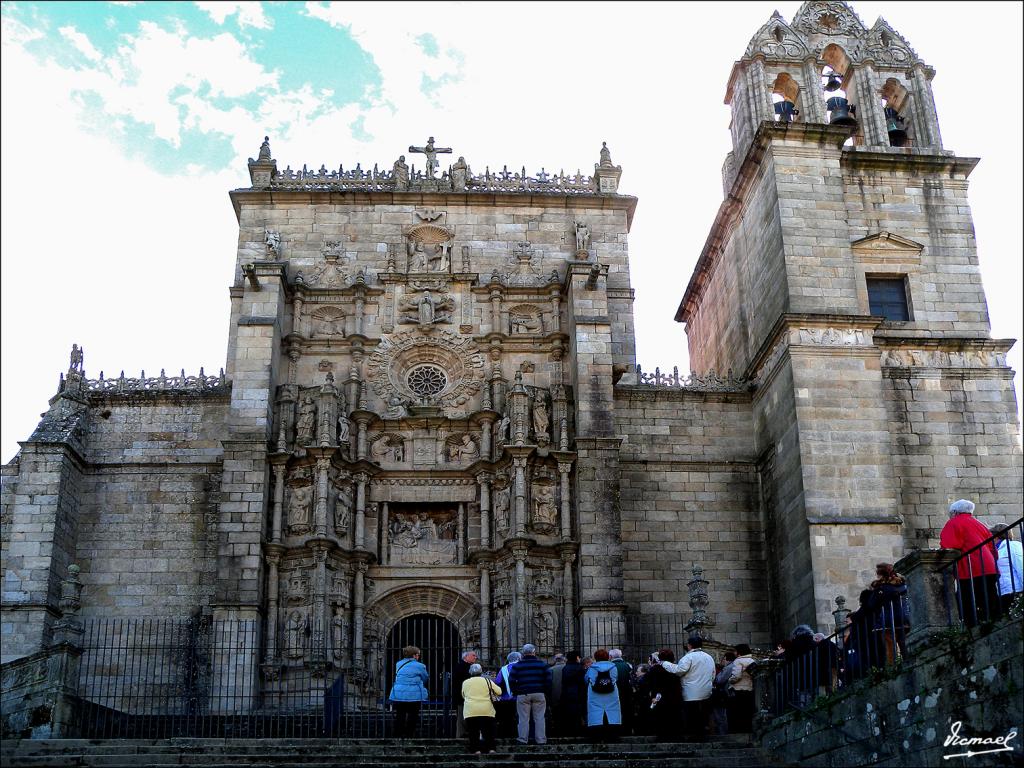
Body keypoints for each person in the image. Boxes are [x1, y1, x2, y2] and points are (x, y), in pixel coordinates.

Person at [940, 499, 1001, 626]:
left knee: (966, 602)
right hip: (989, 566)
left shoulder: (954, 523)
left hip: (970, 568)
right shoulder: (979, 524)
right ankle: (994, 624)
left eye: (950, 513)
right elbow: (993, 548)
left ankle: (973, 627)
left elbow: (949, 545)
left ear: (955, 512)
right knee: (989, 599)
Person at [660, 635, 715, 741]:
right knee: (703, 716)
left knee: (692, 715)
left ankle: (693, 736)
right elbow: (713, 674)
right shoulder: (709, 657)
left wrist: (665, 663)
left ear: (689, 645)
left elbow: (679, 670)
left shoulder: (688, 657)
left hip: (691, 692)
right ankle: (702, 734)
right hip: (706, 691)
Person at [508, 643, 550, 745]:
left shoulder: (517, 666)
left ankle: (523, 739)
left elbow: (511, 680)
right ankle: (541, 739)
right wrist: (544, 691)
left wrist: (516, 691)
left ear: (523, 653)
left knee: (523, 718)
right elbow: (549, 680)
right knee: (539, 717)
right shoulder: (542, 664)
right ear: (534, 652)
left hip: (523, 694)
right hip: (539, 693)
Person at [638, 649, 682, 742]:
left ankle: (662, 736)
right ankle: (675, 735)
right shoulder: (676, 668)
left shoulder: (655, 669)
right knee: (673, 717)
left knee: (660, 717)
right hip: (673, 697)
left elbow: (643, 682)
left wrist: (650, 693)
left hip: (659, 697)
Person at [870, 563, 910, 663]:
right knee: (903, 643)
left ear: (880, 574)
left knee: (890, 647)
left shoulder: (881, 588)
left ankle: (893, 668)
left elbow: (871, 604)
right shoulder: (903, 586)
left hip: (888, 620)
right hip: (904, 618)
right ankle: (908, 662)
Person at [461, 663, 501, 755]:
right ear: (481, 671)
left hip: (471, 710)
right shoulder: (487, 681)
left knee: (473, 731)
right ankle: (491, 749)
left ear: (470, 672)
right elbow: (499, 691)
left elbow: (463, 695)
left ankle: (476, 750)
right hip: (486, 710)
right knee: (488, 731)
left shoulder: (465, 682)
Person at [388, 645, 428, 738]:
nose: (418, 657)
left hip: (399, 693)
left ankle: (397, 735)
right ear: (414, 655)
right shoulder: (420, 666)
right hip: (414, 694)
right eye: (418, 655)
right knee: (413, 715)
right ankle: (409, 735)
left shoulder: (398, 664)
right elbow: (425, 677)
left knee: (400, 715)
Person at [584, 648, 621, 741]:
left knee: (596, 713)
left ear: (596, 657)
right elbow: (615, 679)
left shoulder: (592, 668)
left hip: (595, 694)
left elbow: (587, 679)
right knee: (612, 713)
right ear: (608, 657)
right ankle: (612, 735)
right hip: (611, 693)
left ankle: (597, 735)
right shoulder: (613, 667)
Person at [990, 523, 1024, 614]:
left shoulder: (1013, 546)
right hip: (1002, 592)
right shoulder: (997, 550)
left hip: (1015, 590)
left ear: (997, 536)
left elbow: (1021, 567)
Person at [728, 644, 755, 734]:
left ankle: (738, 731)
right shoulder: (751, 660)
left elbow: (736, 676)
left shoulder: (738, 661)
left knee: (738, 711)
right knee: (747, 711)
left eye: (735, 651)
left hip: (739, 689)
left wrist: (730, 680)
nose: (734, 653)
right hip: (749, 688)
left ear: (739, 652)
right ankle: (748, 729)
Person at [494, 651, 521, 738]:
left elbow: (497, 682)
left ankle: (508, 735)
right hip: (521, 697)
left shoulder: (504, 669)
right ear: (519, 658)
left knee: (507, 719)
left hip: (506, 698)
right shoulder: (522, 667)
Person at [559, 650, 586, 736]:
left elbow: (564, 682)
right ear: (577, 658)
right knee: (578, 714)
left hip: (567, 693)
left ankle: (569, 732)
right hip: (578, 693)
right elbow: (582, 682)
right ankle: (578, 732)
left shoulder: (565, 668)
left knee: (568, 714)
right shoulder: (580, 668)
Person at [452, 649, 478, 738]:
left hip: (469, 697)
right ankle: (460, 737)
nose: (475, 657)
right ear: (466, 656)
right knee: (462, 718)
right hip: (462, 698)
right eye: (473, 655)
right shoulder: (461, 667)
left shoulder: (470, 667)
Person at [711, 651, 736, 736]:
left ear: (727, 659)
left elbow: (719, 680)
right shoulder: (732, 666)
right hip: (728, 694)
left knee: (721, 716)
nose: (723, 661)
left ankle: (723, 734)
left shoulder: (728, 667)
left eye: (724, 659)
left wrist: (715, 678)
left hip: (725, 694)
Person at [609, 649, 634, 735]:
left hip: (614, 692)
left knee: (615, 712)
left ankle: (616, 731)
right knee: (627, 712)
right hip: (627, 692)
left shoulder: (610, 666)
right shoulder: (628, 665)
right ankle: (627, 730)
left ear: (610, 657)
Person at [548, 653, 567, 734]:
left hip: (554, 696)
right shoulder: (567, 668)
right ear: (564, 659)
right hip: (566, 696)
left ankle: (557, 730)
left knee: (556, 714)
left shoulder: (550, 669)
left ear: (555, 660)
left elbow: (548, 684)